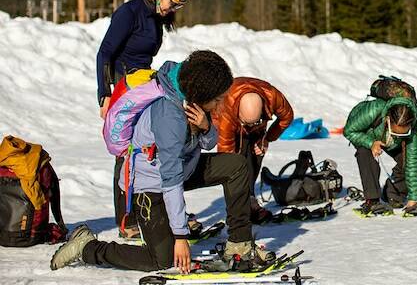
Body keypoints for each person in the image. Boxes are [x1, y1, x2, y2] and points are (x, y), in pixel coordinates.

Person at [51, 50, 275, 273]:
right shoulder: (169, 117)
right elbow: (171, 180)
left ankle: (239, 243)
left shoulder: (188, 98)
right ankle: (87, 247)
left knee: (236, 165)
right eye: (217, 100)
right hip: (149, 186)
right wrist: (180, 236)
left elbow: (207, 144)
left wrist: (206, 127)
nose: (220, 104)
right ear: (201, 96)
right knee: (162, 260)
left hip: (181, 170)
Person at [96, 0, 194, 238]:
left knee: (148, 143)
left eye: (177, 5)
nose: (172, 8)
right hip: (123, 86)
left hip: (144, 83)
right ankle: (126, 219)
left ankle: (150, 208)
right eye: (171, 2)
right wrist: (104, 93)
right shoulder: (129, 13)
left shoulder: (155, 16)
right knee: (126, 148)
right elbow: (105, 52)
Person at [212, 78, 294, 223]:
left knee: (256, 154)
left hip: (256, 127)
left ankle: (249, 198)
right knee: (236, 162)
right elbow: (226, 155)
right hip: (231, 125)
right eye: (246, 123)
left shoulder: (273, 96)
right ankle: (239, 206)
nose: (250, 126)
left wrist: (267, 138)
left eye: (255, 121)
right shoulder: (226, 111)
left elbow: (287, 116)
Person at [343, 88, 417, 217]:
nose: (398, 136)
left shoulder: (413, 128)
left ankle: (393, 194)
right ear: (388, 119)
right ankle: (372, 200)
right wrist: (371, 143)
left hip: (388, 140)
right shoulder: (374, 110)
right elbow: (349, 131)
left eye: (404, 134)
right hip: (366, 134)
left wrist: (413, 199)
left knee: (405, 161)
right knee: (365, 154)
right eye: (395, 132)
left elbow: (412, 163)